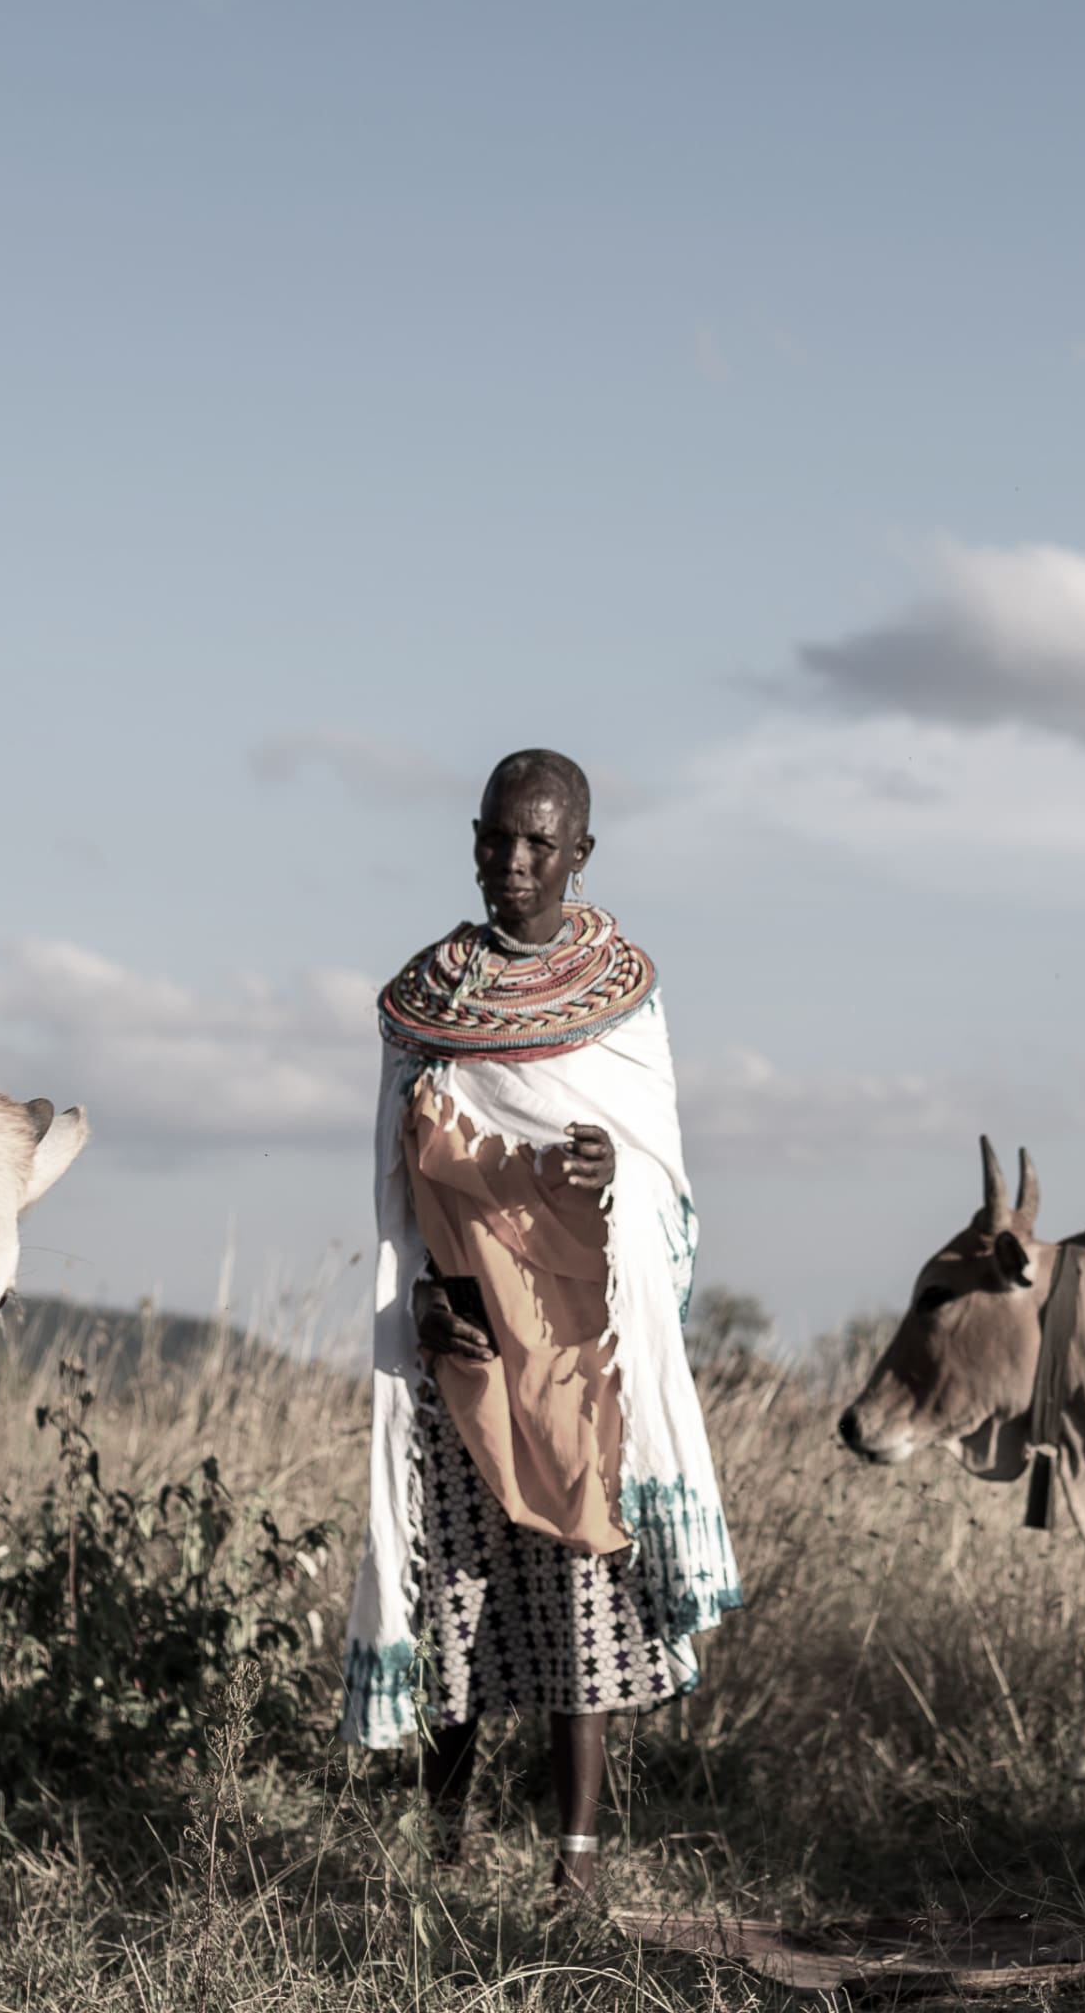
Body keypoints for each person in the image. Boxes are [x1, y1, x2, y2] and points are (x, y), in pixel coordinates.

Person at [340, 749, 740, 1898]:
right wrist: (414, 1296)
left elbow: (662, 1172)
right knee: (451, 1590)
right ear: (473, 837)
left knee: (582, 1593)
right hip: (460, 1336)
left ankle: (575, 1867)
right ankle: (443, 1850)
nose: (512, 863)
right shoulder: (425, 1005)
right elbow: (392, 1184)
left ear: (580, 854)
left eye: (537, 843)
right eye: (493, 839)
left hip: (579, 1347)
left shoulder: (621, 998)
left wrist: (616, 1169)